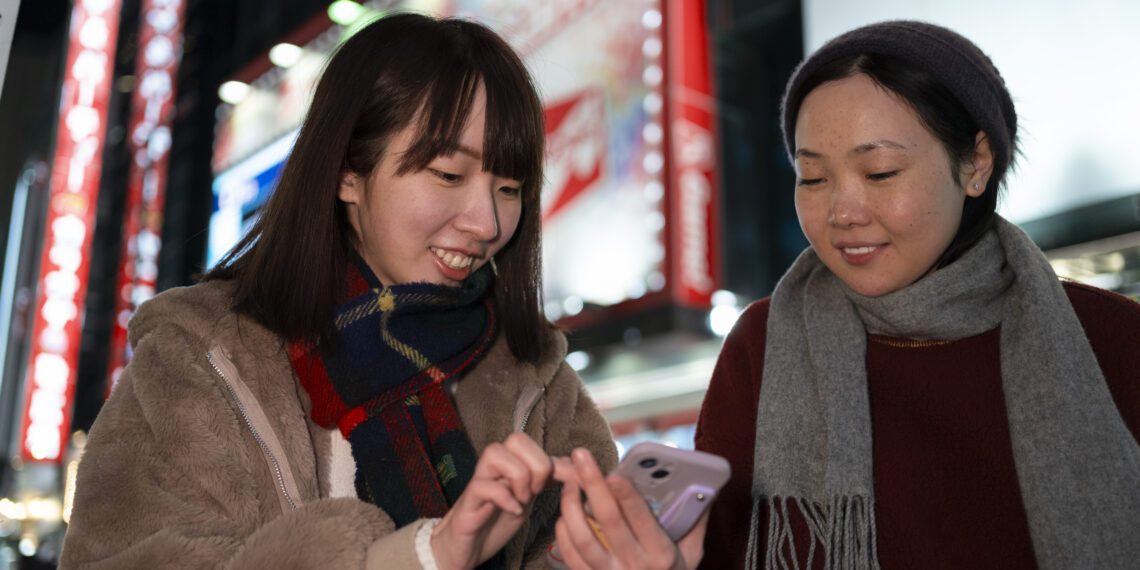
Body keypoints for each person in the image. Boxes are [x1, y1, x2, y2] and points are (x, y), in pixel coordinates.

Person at [60, 13, 618, 569]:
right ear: (348, 173)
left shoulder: (537, 377)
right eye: (449, 175)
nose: (488, 222)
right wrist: (416, 558)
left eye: (510, 187)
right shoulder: (200, 354)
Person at [695, 20, 1140, 570]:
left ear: (976, 163)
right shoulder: (763, 348)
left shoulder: (1114, 340)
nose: (842, 213)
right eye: (813, 178)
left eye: (880, 172)